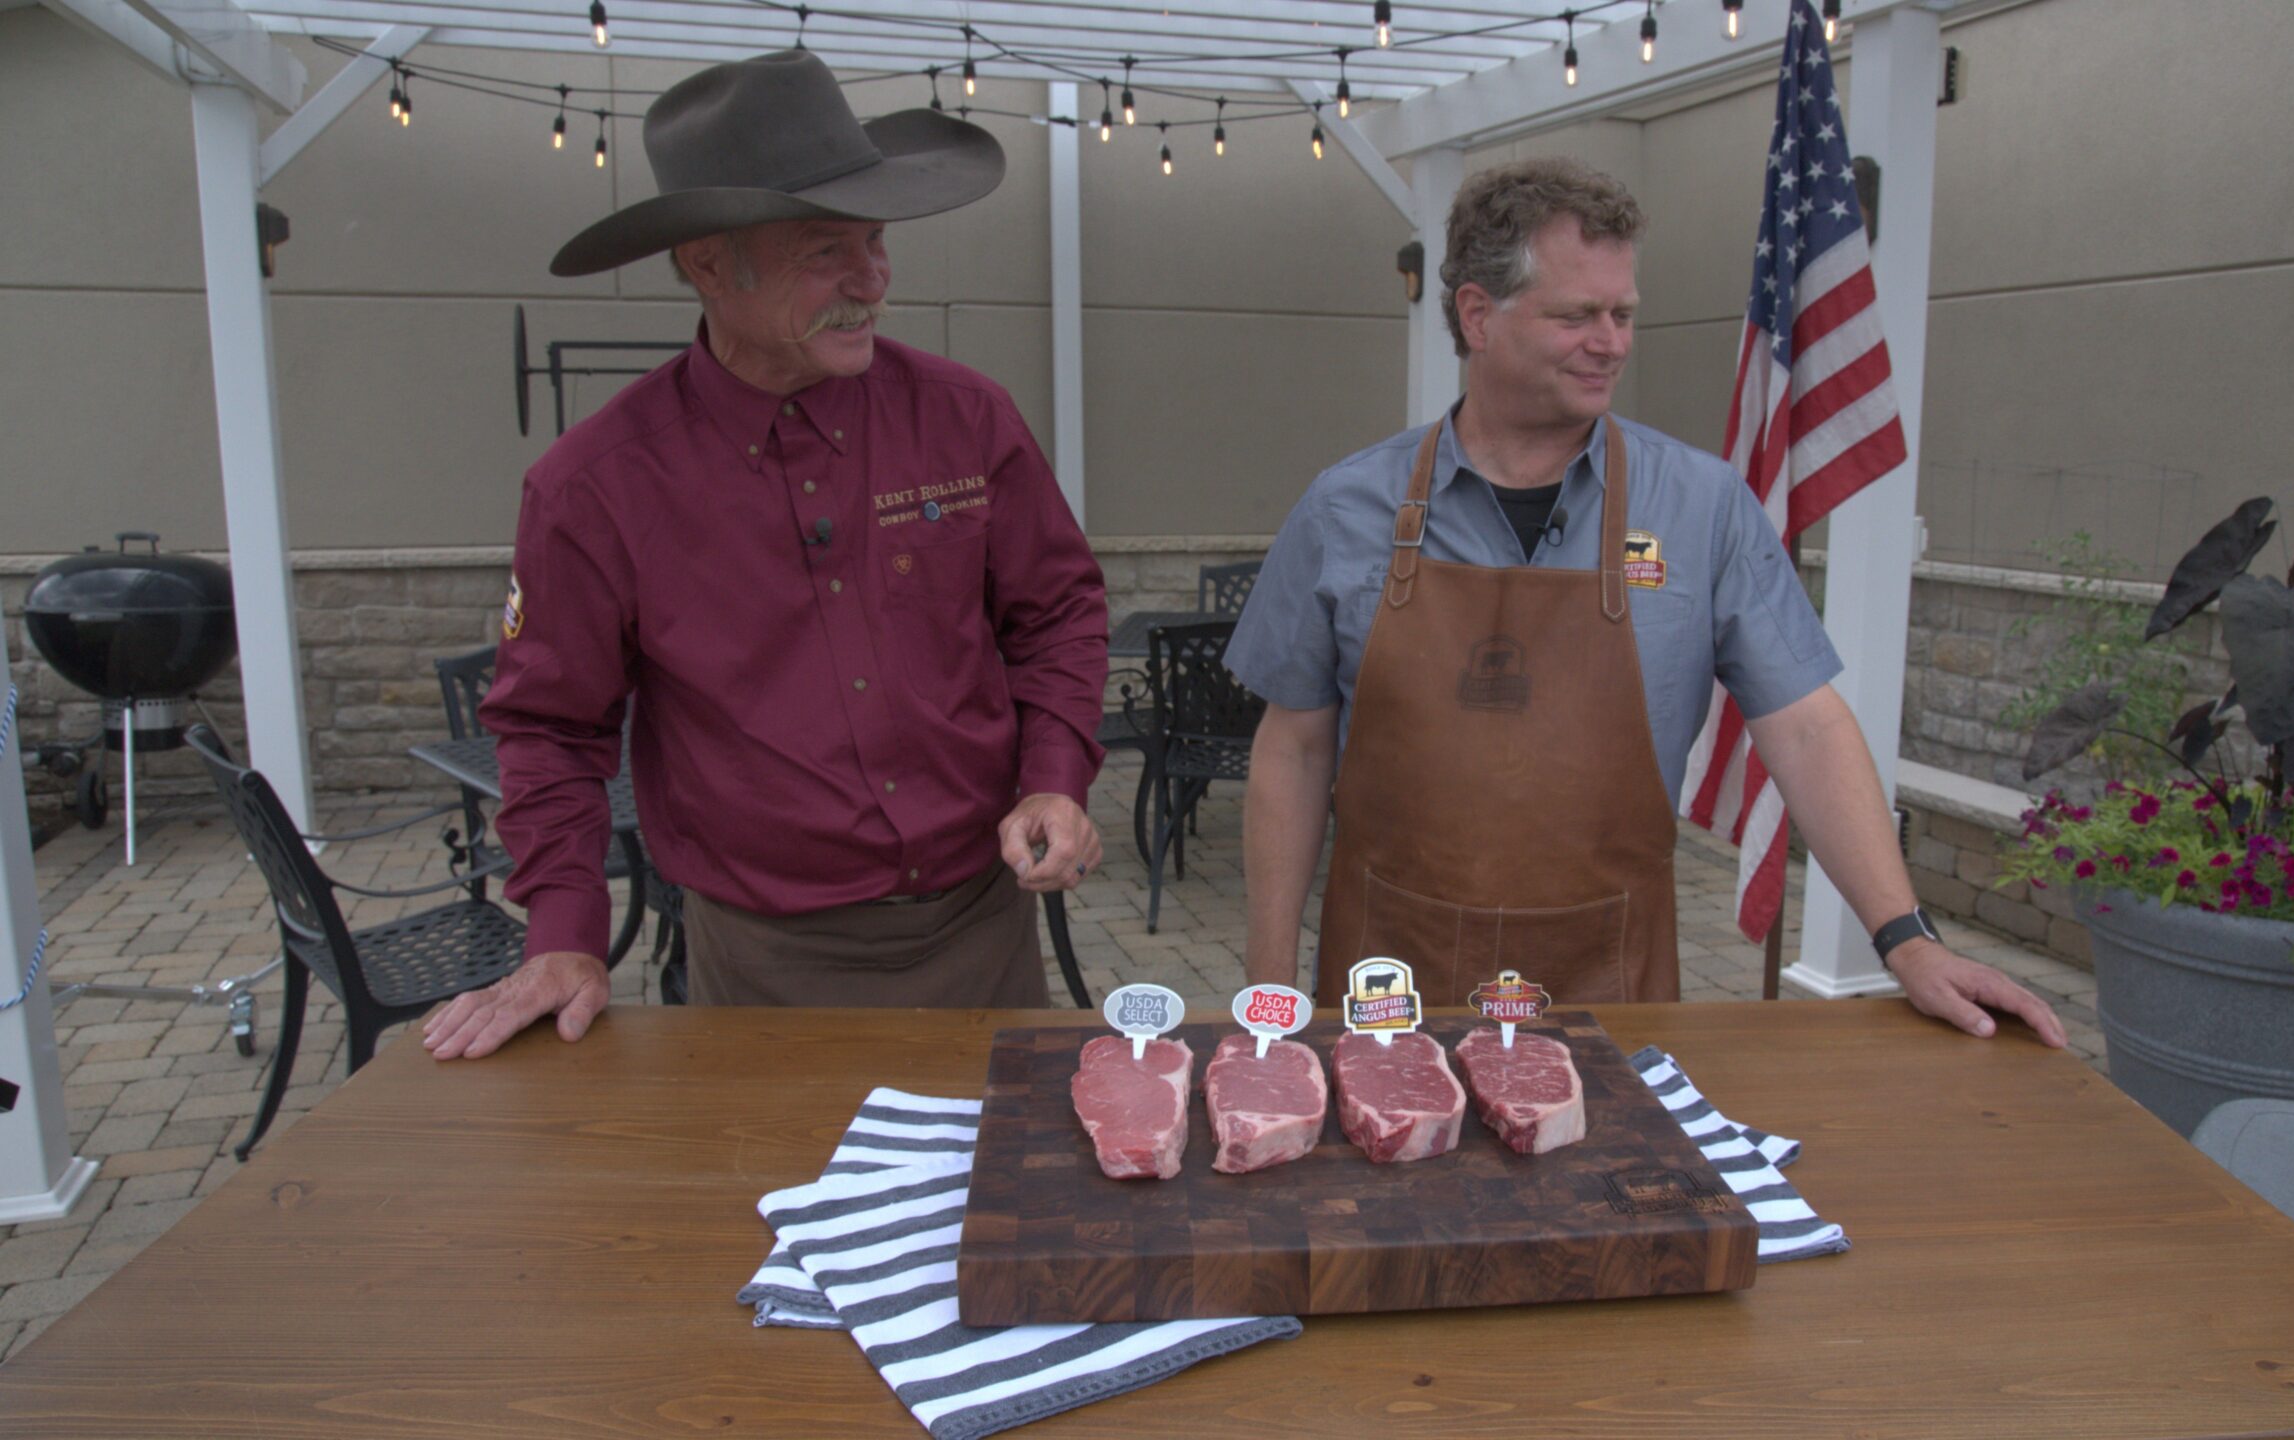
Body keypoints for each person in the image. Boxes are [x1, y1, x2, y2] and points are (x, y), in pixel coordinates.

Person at [1225, 157, 2063, 1047]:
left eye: (1623, 314)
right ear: (1477, 314)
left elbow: (1808, 727)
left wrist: (1908, 942)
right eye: (1577, 315)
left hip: (1611, 983)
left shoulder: (1701, 508)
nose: (1613, 341)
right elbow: (1295, 748)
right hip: (1388, 982)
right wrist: (1269, 989)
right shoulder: (1346, 508)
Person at [422, 51, 1107, 1060]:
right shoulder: (596, 486)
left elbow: (1056, 613)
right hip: (762, 964)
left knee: (1001, 1211)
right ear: (706, 262)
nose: (870, 281)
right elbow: (548, 730)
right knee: (785, 1212)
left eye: (875, 243)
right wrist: (564, 936)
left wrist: (1054, 777)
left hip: (982, 929)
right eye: (825, 251)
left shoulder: (966, 419)